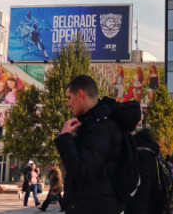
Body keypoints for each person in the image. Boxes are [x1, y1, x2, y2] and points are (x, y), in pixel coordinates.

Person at [54, 74, 141, 214]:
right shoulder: (98, 123)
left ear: (80, 94)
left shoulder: (99, 127)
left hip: (96, 206)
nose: (68, 104)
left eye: (69, 98)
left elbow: (82, 171)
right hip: (102, 204)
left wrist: (65, 138)